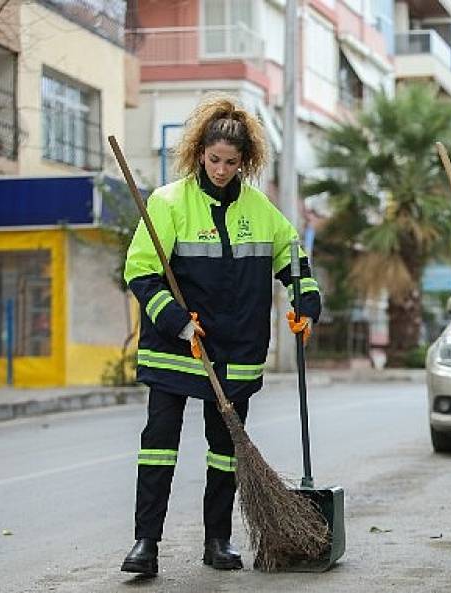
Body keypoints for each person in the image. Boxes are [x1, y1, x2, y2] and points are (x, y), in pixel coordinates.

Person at [120, 95, 320, 575]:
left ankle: (218, 541)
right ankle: (146, 544)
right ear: (199, 154)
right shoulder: (168, 203)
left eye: (232, 162)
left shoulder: (261, 209)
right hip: (176, 348)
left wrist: (305, 305)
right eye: (214, 160)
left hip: (236, 351)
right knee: (159, 442)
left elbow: (294, 261)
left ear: (245, 161)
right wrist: (177, 321)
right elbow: (141, 273)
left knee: (226, 452)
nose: (222, 170)